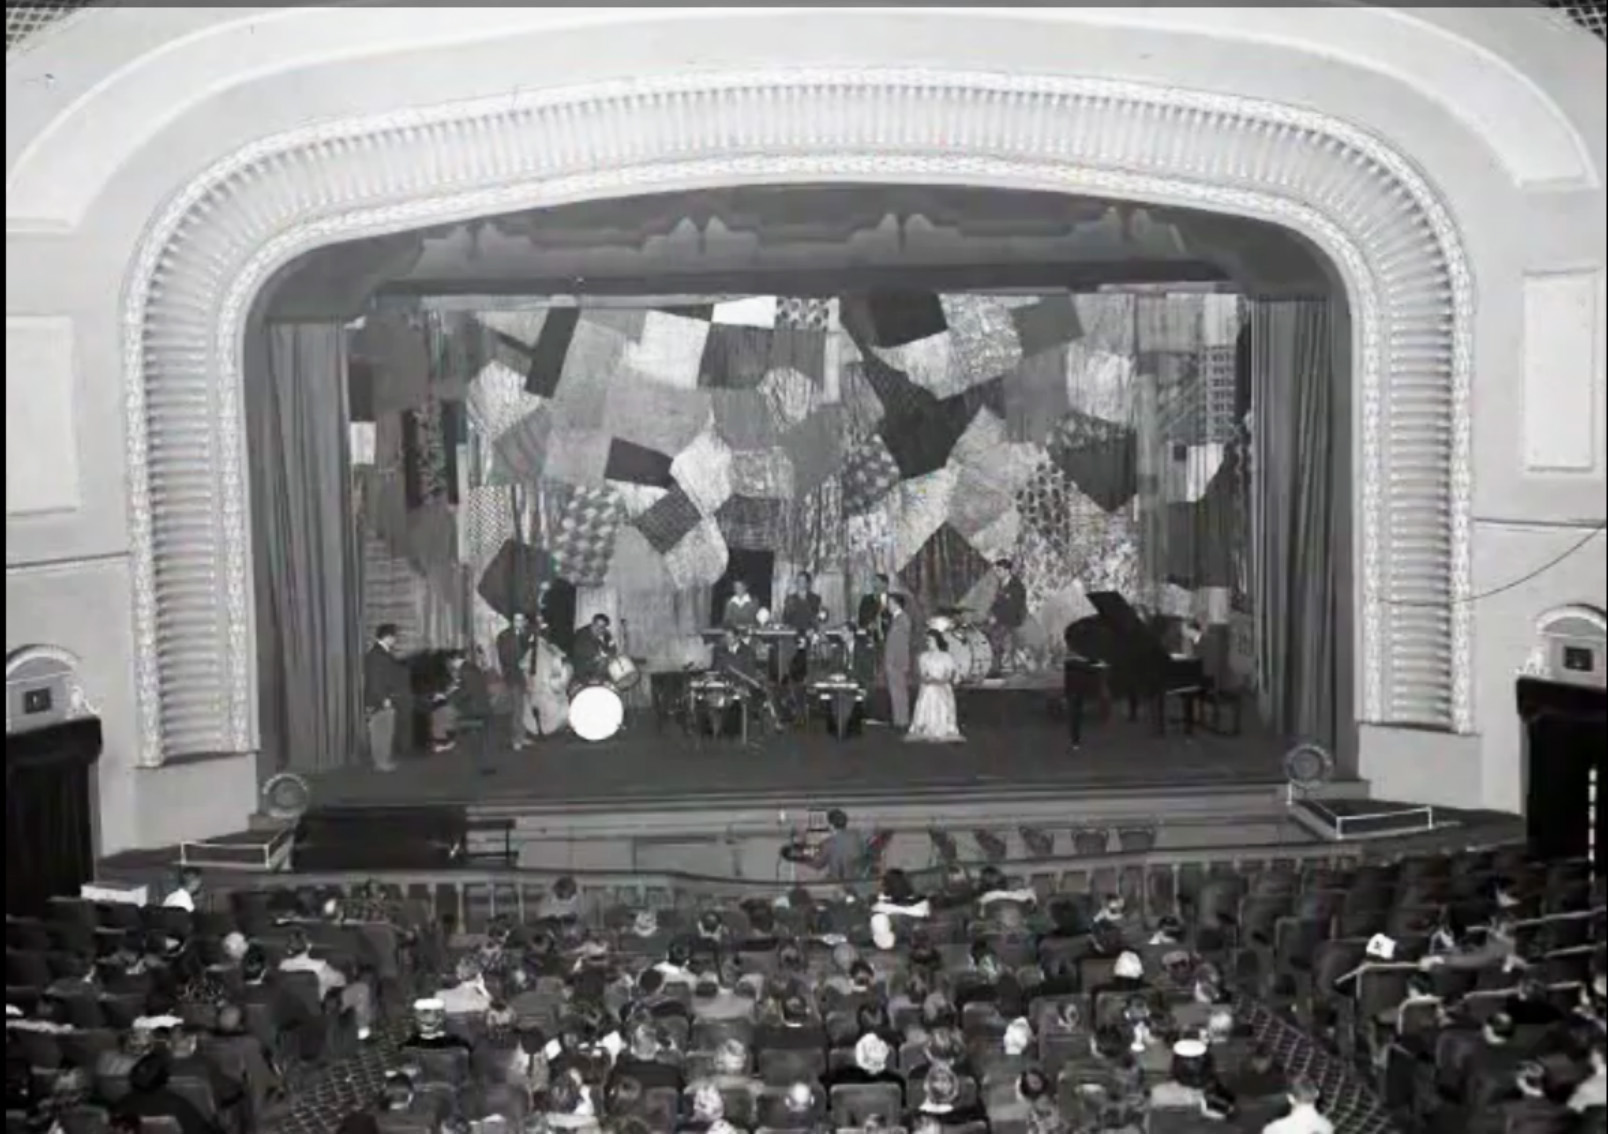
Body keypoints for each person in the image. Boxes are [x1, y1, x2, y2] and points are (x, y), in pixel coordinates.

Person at [431, 650, 494, 774]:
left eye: (450, 662)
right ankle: (448, 741)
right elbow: (461, 688)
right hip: (479, 707)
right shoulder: (469, 668)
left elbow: (465, 692)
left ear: (455, 660)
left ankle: (446, 741)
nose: (450, 665)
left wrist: (445, 697)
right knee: (481, 739)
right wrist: (447, 694)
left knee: (443, 714)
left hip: (474, 709)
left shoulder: (466, 671)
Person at [363, 622, 411, 771]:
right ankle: (381, 762)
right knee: (380, 731)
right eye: (394, 637)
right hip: (380, 700)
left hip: (387, 698)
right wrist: (383, 698)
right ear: (387, 637)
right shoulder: (377, 655)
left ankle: (384, 760)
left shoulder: (382, 653)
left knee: (386, 730)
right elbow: (375, 680)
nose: (395, 640)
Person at [906, 630, 964, 743]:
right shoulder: (923, 657)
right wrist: (929, 680)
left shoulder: (946, 657)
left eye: (931, 640)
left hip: (942, 685)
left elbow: (949, 674)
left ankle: (942, 727)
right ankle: (925, 726)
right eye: (927, 640)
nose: (928, 643)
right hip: (929, 685)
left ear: (937, 641)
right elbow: (923, 674)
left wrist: (940, 681)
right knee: (928, 691)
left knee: (940, 694)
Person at [495, 612, 539, 751]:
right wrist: (519, 664)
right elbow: (504, 657)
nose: (518, 622)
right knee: (517, 708)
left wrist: (531, 673)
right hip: (513, 676)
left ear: (525, 621)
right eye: (516, 620)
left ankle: (522, 735)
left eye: (521, 620)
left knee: (523, 708)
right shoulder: (504, 636)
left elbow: (533, 655)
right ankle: (516, 739)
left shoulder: (528, 634)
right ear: (512, 621)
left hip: (525, 676)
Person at [985, 558, 1027, 677]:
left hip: (1011, 621)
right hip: (1000, 620)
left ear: (1006, 570)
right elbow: (997, 604)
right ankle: (996, 668)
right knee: (992, 639)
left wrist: (997, 617)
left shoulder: (1017, 586)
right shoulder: (1001, 584)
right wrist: (991, 614)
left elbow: (1013, 607)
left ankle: (1004, 669)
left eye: (998, 570)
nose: (996, 573)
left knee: (1003, 641)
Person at [883, 594, 913, 730]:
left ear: (896, 604)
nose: (888, 606)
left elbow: (901, 644)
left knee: (899, 692)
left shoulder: (903, 620)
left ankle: (902, 720)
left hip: (897, 662)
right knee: (895, 691)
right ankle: (898, 719)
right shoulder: (896, 620)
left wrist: (897, 661)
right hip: (893, 662)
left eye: (889, 603)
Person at [571, 614, 617, 683]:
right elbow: (594, 653)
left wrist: (608, 639)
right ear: (592, 623)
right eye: (597, 625)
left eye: (602, 627)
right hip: (583, 669)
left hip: (597, 666)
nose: (598, 629)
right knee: (602, 661)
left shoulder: (606, 634)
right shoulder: (582, 634)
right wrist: (603, 648)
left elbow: (613, 648)